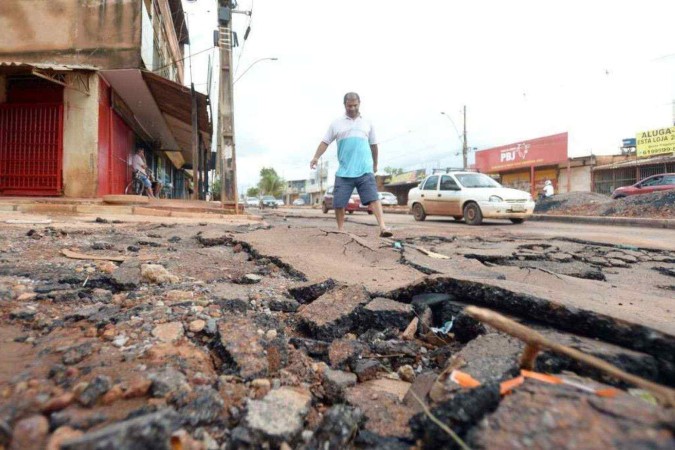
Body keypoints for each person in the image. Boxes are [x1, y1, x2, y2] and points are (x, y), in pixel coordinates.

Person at [310, 92, 392, 237]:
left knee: (373, 198)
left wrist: (375, 164)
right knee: (339, 203)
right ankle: (341, 229)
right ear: (345, 105)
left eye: (355, 105)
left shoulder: (367, 122)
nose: (352, 108)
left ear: (359, 103)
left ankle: (383, 227)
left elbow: (373, 145)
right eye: (349, 106)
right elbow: (325, 142)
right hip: (344, 171)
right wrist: (316, 157)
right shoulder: (336, 124)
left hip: (364, 168)